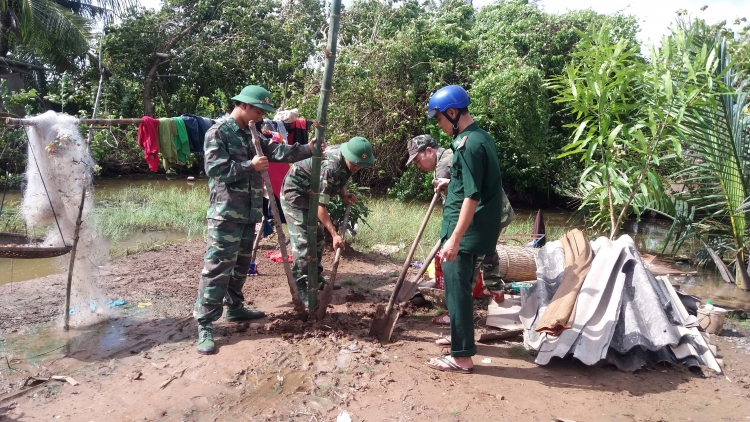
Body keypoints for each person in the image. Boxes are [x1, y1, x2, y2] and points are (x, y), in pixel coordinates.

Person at [194, 85, 321, 355]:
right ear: (244, 105)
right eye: (260, 110)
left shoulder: (252, 132)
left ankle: (235, 308)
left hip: (249, 212)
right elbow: (215, 170)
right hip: (225, 214)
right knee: (217, 268)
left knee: (241, 265)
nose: (263, 116)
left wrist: (308, 149)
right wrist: (249, 166)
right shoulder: (218, 131)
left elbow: (278, 152)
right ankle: (205, 323)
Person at [423, 85, 504, 374]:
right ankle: (460, 340)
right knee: (461, 290)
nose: (440, 125)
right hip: (472, 229)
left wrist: (455, 239)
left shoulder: (467, 145)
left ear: (453, 113)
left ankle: (462, 358)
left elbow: (472, 196)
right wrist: (450, 183)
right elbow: (473, 183)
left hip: (466, 231)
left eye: (440, 119)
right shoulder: (479, 138)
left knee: (456, 291)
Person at [406, 134, 515, 308]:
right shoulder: (451, 154)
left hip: (484, 212)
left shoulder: (444, 166)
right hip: (498, 210)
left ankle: (459, 310)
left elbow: (456, 206)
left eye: (418, 160)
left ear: (429, 151)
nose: (418, 165)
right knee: (487, 248)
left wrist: (453, 237)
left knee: (468, 258)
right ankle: (495, 289)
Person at [281, 137, 375, 306]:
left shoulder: (348, 159)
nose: (358, 167)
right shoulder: (330, 167)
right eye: (355, 163)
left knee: (317, 235)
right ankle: (300, 285)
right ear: (347, 156)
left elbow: (342, 179)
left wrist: (344, 195)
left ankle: (316, 278)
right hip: (296, 191)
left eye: (361, 164)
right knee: (304, 239)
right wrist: (334, 234)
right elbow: (320, 207)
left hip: (312, 191)